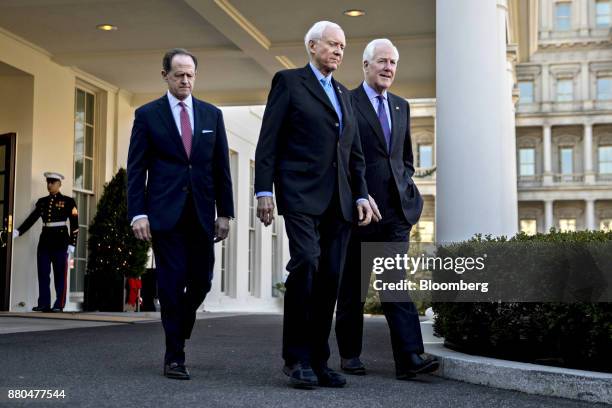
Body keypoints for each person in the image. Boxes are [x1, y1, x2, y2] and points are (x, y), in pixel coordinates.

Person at [254, 21, 373, 389]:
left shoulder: (344, 93)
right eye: (332, 44)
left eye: (343, 46)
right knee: (306, 262)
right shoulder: (289, 82)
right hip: (300, 193)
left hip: (339, 201)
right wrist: (263, 190)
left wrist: (361, 194)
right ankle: (296, 358)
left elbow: (354, 153)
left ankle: (320, 360)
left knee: (330, 279)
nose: (339, 51)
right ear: (312, 46)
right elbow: (269, 139)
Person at [334, 39, 439, 380]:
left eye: (393, 63)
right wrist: (359, 195)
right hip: (358, 212)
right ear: (365, 65)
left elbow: (403, 158)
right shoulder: (346, 101)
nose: (388, 68)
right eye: (381, 62)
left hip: (395, 211)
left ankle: (409, 358)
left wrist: (407, 188)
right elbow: (344, 157)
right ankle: (350, 355)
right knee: (353, 288)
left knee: (395, 282)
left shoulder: (400, 105)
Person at [127, 48, 234, 380]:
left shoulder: (211, 115)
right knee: (171, 285)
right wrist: (138, 214)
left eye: (190, 75)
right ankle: (175, 355)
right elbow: (136, 169)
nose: (185, 80)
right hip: (165, 214)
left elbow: (221, 168)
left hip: (202, 213)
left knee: (202, 280)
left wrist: (225, 212)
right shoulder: (147, 115)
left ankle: (181, 323)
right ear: (165, 76)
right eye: (179, 75)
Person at [13, 172, 78, 313]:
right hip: (45, 241)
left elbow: (74, 224)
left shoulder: (68, 202)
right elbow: (32, 218)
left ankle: (59, 304)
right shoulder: (42, 202)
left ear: (59, 184)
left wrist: (73, 243)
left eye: (52, 182)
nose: (49, 185)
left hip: (61, 241)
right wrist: (18, 231)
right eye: (48, 182)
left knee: (60, 275)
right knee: (43, 273)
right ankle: (44, 303)